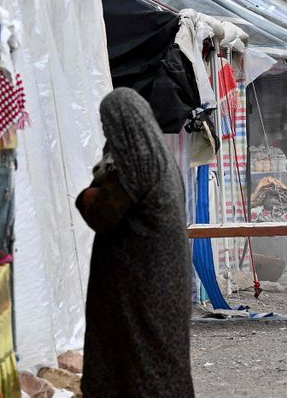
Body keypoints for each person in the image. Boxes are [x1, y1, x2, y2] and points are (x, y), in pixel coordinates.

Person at [75, 88, 194, 398]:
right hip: (162, 287)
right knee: (162, 362)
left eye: (108, 125)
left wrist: (86, 196)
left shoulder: (133, 163)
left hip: (141, 290)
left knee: (138, 366)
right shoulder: (159, 158)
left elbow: (102, 213)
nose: (106, 132)